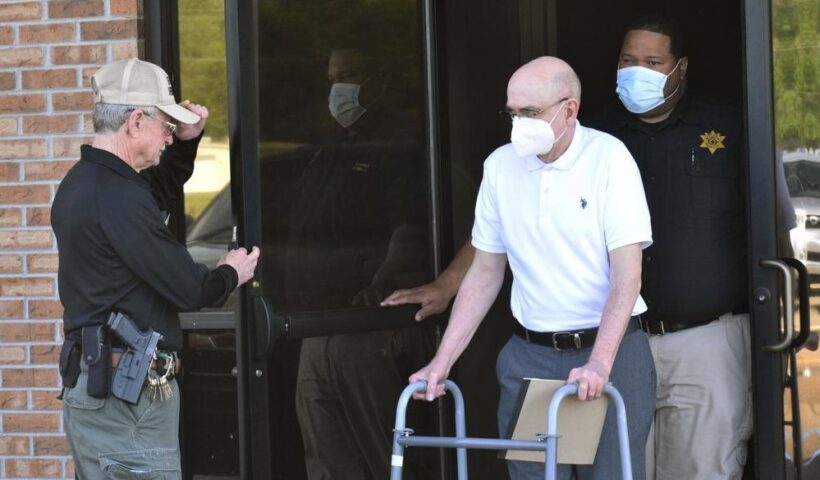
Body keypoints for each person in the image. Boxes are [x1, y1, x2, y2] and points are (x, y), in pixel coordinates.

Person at [407, 56, 656, 479]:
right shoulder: (500, 166)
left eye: (530, 113)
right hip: (532, 355)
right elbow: (486, 272)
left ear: (569, 109)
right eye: (512, 112)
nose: (518, 123)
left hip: (611, 352)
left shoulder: (609, 159)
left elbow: (627, 275)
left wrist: (599, 362)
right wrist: (441, 362)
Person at [52, 58, 260, 479]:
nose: (168, 138)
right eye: (165, 127)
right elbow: (189, 288)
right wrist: (228, 273)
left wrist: (187, 141)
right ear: (134, 122)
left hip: (108, 392)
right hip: (124, 402)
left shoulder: (90, 183)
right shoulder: (116, 198)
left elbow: (157, 192)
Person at [286, 48, 435, 480]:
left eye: (350, 75)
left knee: (387, 458)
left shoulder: (396, 143)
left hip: (367, 330)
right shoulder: (330, 145)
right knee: (327, 459)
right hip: (315, 327)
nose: (339, 88)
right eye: (334, 77)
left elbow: (409, 228)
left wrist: (381, 283)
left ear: (379, 79)